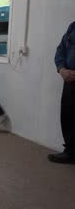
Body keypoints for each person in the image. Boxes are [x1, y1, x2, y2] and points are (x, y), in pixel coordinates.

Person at [48, 22, 75, 164]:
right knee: (68, 116)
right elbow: (60, 50)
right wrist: (62, 69)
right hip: (69, 79)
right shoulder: (73, 27)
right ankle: (70, 152)